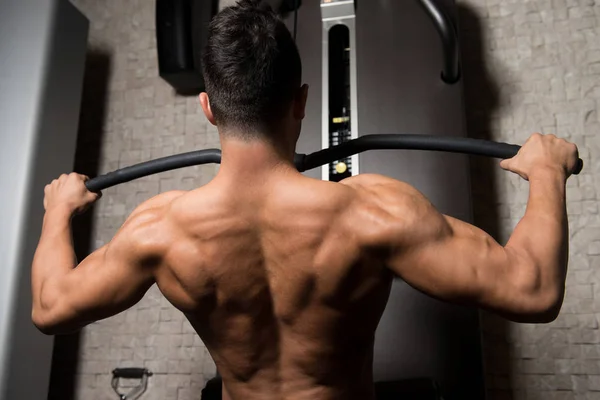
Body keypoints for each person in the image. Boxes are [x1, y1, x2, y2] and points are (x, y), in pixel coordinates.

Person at [31, 1, 579, 399]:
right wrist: (546, 172)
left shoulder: (160, 229)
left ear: (207, 108)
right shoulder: (372, 214)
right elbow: (530, 289)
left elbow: (50, 308)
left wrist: (59, 212)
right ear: (301, 101)